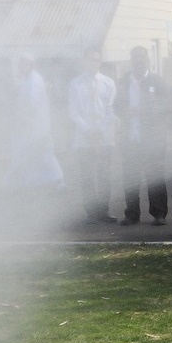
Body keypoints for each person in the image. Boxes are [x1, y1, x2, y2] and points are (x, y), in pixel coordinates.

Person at [115, 46, 170, 226]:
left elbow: (168, 106)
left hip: (153, 139)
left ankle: (159, 213)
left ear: (148, 61)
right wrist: (125, 112)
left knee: (155, 177)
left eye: (142, 58)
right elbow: (116, 106)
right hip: (130, 138)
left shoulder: (157, 81)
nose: (139, 62)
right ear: (131, 61)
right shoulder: (124, 82)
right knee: (131, 178)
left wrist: (148, 109)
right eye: (135, 58)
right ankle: (132, 214)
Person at [4, 52, 65, 197]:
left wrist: (21, 120)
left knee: (32, 153)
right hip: (32, 127)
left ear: (30, 65)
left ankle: (11, 183)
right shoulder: (27, 80)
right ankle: (55, 183)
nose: (20, 66)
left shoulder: (34, 80)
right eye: (20, 63)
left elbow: (31, 104)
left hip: (35, 127)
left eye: (23, 63)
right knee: (42, 155)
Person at [68, 46, 118, 224]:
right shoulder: (75, 84)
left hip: (104, 137)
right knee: (87, 175)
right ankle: (90, 212)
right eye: (89, 59)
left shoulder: (108, 83)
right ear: (84, 61)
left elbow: (111, 109)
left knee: (104, 175)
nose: (93, 63)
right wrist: (88, 130)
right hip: (84, 137)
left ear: (100, 61)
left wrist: (100, 130)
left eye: (96, 59)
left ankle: (104, 210)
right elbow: (73, 111)